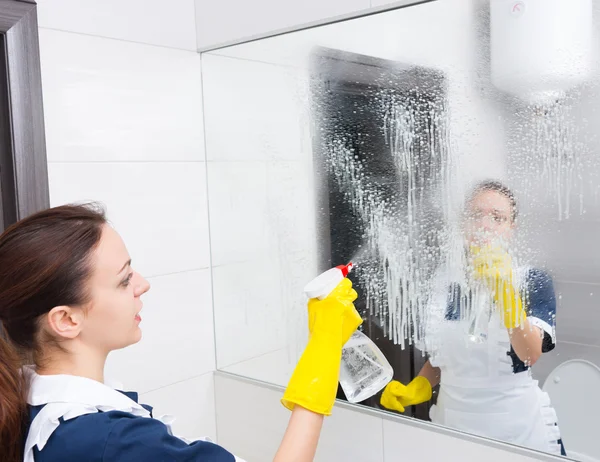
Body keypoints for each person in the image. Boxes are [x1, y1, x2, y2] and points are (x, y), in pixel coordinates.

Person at [0, 204, 362, 462]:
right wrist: (324, 350)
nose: (142, 285)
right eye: (124, 279)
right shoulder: (108, 441)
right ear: (66, 321)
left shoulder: (30, 401)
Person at [380, 180, 566, 457]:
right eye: (476, 215)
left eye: (497, 218)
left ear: (511, 229)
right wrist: (418, 386)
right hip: (452, 423)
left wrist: (504, 291)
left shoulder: (531, 281)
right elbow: (446, 356)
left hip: (516, 429)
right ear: (462, 224)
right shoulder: (444, 282)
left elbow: (529, 354)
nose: (485, 225)